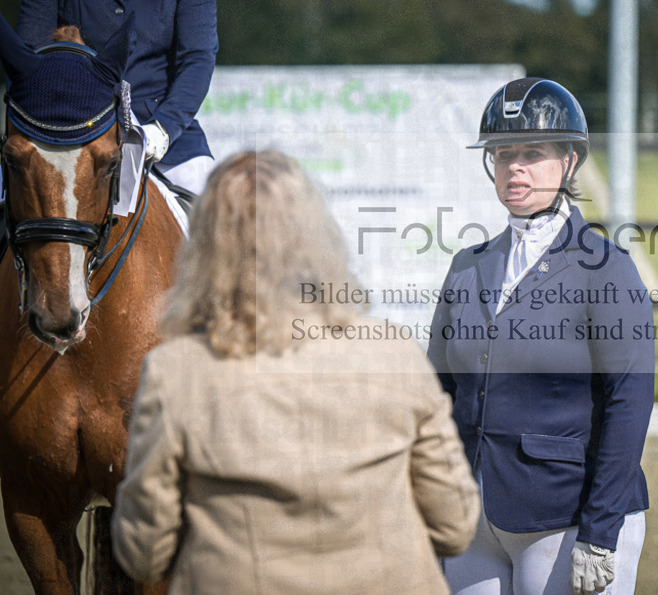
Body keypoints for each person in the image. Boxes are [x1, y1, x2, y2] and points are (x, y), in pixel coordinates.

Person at [111, 150, 480, 594]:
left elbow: (144, 552)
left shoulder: (176, 371)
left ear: (205, 246)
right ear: (316, 235)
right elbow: (455, 526)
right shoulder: (394, 352)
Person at [428, 78, 655, 594]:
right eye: (504, 154)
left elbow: (629, 401)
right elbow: (438, 390)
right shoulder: (467, 265)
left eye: (533, 153)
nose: (515, 167)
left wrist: (601, 532)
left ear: (569, 162)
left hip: (566, 515)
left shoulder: (606, 268)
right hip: (472, 515)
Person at [17, 0, 218, 195]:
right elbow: (30, 59)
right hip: (70, 130)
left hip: (161, 132)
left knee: (216, 209)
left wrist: (163, 129)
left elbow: (197, 60)